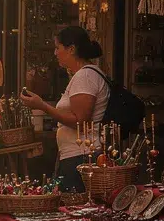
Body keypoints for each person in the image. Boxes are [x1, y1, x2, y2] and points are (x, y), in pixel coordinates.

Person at [19, 26, 108, 193]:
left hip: (81, 156)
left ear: (71, 49)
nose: (55, 53)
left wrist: (42, 106)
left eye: (57, 47)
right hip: (75, 154)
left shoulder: (85, 76)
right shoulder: (83, 75)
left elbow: (80, 121)